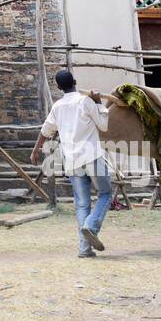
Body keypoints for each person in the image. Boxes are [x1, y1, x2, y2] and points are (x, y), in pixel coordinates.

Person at [31, 68, 111, 258]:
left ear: (59, 87)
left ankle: (84, 249)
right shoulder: (87, 101)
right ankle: (91, 226)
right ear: (75, 82)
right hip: (92, 157)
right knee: (105, 194)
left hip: (72, 161)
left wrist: (36, 150)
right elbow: (104, 126)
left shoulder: (58, 107)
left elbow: (45, 131)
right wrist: (99, 102)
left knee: (82, 204)